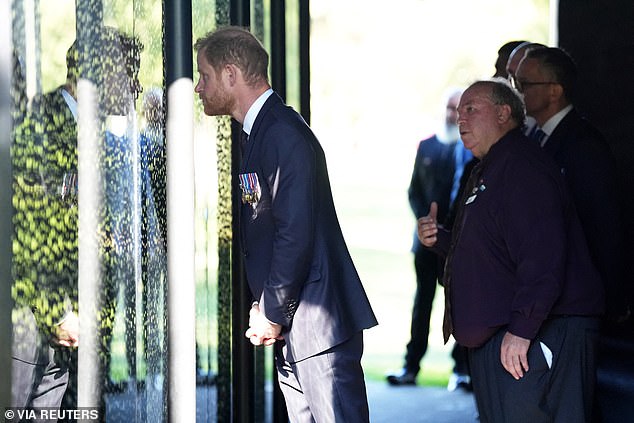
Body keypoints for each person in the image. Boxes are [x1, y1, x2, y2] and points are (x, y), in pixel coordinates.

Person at [194, 26, 378, 422]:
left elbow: (295, 235)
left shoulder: (282, 133)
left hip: (318, 329)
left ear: (231, 75)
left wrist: (272, 314)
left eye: (204, 76)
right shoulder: (260, 131)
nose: (197, 88)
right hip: (299, 329)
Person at [418, 79, 604, 422]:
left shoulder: (522, 166)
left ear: (504, 113)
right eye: (459, 113)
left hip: (534, 333)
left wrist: (522, 330)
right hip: (504, 335)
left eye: (472, 110)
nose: (461, 120)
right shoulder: (490, 166)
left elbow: (543, 254)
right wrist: (440, 240)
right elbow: (491, 248)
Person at [515, 47, 628, 322]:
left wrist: (609, 298)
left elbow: (603, 226)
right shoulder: (530, 138)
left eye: (524, 84)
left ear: (555, 91)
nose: (517, 92)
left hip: (575, 299)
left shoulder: (584, 145)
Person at [386, 89, 472, 389]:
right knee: (422, 302)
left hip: (459, 243)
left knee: (461, 304)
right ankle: (411, 366)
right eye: (449, 108)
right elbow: (414, 191)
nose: (452, 114)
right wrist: (427, 224)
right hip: (424, 243)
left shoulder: (469, 150)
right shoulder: (427, 146)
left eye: (458, 108)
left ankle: (462, 369)